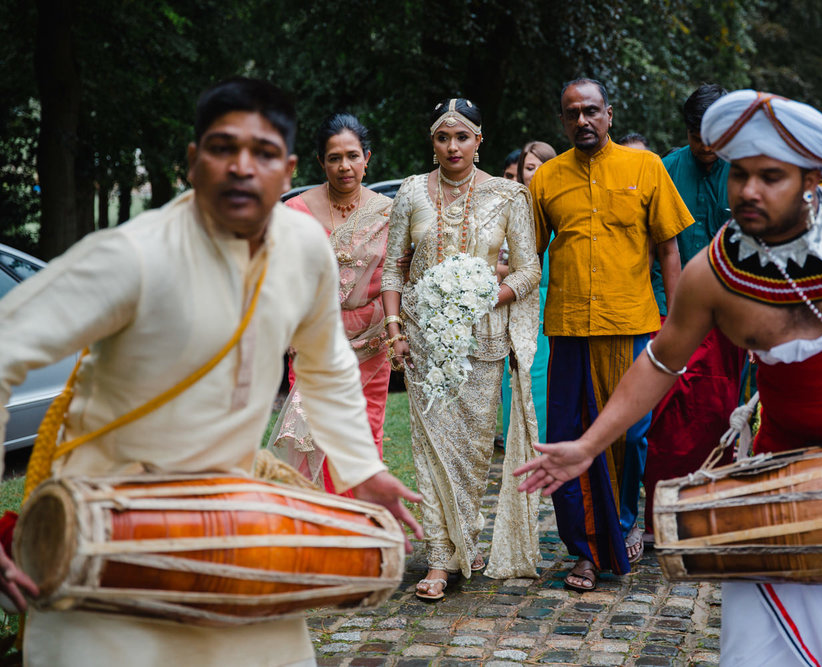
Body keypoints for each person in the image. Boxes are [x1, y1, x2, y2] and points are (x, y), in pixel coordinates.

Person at [517, 89, 822, 665]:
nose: (747, 190)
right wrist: (589, 445)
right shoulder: (715, 272)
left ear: (813, 178)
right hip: (783, 497)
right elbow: (662, 360)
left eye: (770, 176)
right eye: (739, 173)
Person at [0, 77, 422, 667]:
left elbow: (327, 367)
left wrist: (363, 469)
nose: (243, 167)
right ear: (194, 162)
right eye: (224, 148)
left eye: (265, 153)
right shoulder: (133, 254)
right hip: (106, 527)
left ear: (289, 168)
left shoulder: (303, 247)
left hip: (228, 521)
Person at [529, 78, 693, 591]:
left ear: (610, 115)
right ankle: (582, 551)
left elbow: (669, 251)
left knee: (627, 435)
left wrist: (679, 324)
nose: (582, 120)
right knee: (569, 436)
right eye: (572, 112)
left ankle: (621, 530)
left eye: (591, 110)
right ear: (562, 121)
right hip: (570, 328)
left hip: (631, 324)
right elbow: (529, 256)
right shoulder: (546, 180)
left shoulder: (646, 169)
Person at [381, 98, 542, 600]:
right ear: (433, 144)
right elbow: (392, 269)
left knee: (470, 453)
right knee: (429, 450)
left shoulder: (509, 195)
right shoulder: (411, 192)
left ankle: (462, 537)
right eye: (443, 137)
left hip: (485, 341)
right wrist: (394, 330)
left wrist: (482, 295)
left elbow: (529, 269)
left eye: (462, 137)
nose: (452, 146)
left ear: (479, 141)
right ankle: (438, 558)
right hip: (425, 340)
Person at [642, 83, 748, 541]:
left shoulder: (745, 171)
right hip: (671, 310)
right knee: (663, 412)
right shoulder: (665, 170)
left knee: (720, 410)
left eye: (713, 136)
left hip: (732, 314)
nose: (705, 146)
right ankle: (654, 518)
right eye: (696, 135)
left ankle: (710, 510)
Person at [268, 113, 392, 491]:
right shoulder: (294, 213)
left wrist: (395, 327)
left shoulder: (386, 213)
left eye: (353, 156)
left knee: (365, 432)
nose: (345, 166)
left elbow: (394, 276)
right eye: (334, 158)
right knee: (313, 432)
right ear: (321, 162)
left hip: (370, 343)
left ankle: (361, 528)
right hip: (314, 340)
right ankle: (317, 524)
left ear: (367, 158)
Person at [501, 140, 557, 446]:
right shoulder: (512, 210)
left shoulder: (560, 207)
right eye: (529, 168)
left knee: (548, 385)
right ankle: (518, 453)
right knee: (518, 381)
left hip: (554, 307)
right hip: (519, 305)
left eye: (541, 166)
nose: (534, 174)